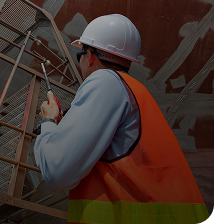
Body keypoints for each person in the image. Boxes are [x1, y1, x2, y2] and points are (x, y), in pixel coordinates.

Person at [34, 14, 209, 224]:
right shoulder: (136, 91)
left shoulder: (104, 81)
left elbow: (56, 172)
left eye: (80, 53)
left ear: (89, 56)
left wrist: (49, 122)